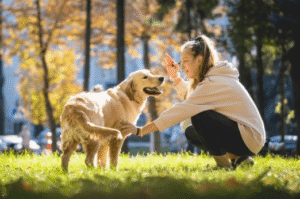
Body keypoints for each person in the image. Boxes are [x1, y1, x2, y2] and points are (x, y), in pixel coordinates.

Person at [132, 34, 266, 169]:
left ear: (199, 60)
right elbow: (192, 99)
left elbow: (184, 109)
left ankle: (223, 166)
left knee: (199, 116)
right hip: (250, 138)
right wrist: (175, 77)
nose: (182, 66)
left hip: (249, 137)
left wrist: (142, 130)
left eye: (185, 61)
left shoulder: (212, 82)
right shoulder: (214, 77)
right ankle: (240, 159)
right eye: (181, 62)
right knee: (190, 130)